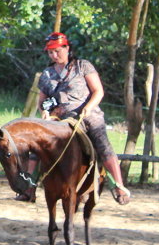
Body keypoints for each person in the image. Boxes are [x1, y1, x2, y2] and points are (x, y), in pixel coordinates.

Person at [36, 32, 131, 205]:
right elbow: (41, 101)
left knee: (102, 143)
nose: (54, 55)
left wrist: (88, 107)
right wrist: (44, 112)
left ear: (67, 48)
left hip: (85, 115)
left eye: (57, 51)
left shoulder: (82, 66)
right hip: (59, 118)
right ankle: (29, 186)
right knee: (35, 143)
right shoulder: (47, 74)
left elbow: (98, 91)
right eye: (50, 52)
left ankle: (119, 185)